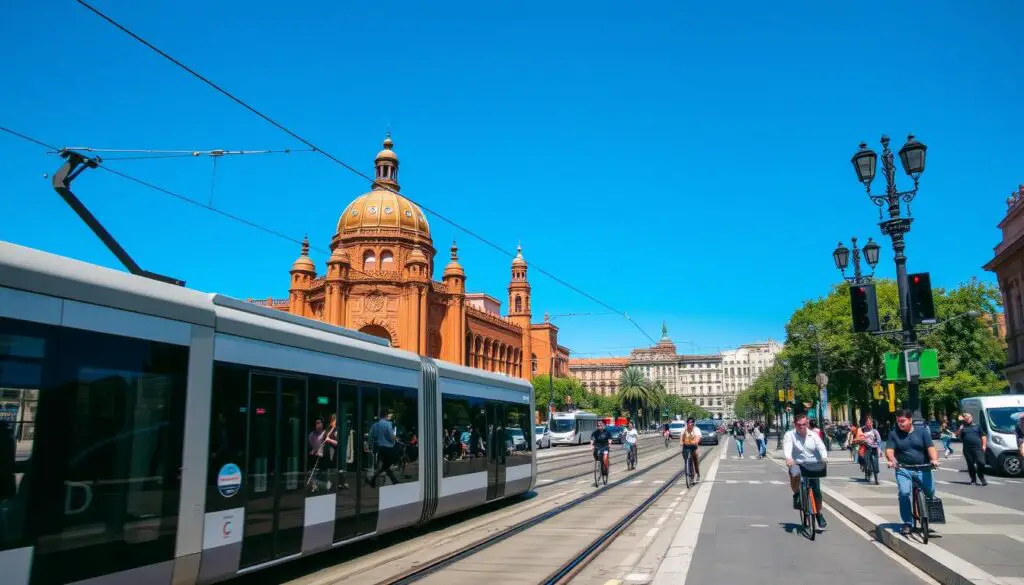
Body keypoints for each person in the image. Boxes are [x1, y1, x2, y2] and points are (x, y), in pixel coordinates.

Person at [885, 409, 940, 536]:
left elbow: (930, 447)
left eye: (903, 421)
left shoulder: (922, 432)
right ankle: (907, 523)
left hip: (923, 467)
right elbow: (889, 450)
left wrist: (934, 459)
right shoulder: (894, 434)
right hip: (903, 469)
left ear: (910, 420)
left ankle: (926, 516)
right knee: (904, 493)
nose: (900, 424)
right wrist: (892, 461)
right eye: (898, 421)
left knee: (930, 492)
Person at [783, 413, 828, 529]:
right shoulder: (790, 435)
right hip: (797, 462)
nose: (802, 427)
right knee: (794, 473)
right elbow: (787, 448)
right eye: (799, 425)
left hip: (813, 464)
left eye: (804, 424)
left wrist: (824, 457)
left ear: (807, 423)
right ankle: (797, 493)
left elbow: (821, 447)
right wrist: (789, 458)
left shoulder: (813, 435)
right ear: (795, 424)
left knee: (817, 492)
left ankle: (818, 514)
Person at [956, 412, 987, 486]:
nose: (968, 419)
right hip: (967, 449)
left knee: (981, 462)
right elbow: (958, 436)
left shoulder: (977, 426)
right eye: (966, 418)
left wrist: (984, 445)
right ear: (965, 419)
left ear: (971, 418)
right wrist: (960, 428)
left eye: (969, 417)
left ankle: (981, 476)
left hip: (978, 448)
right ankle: (973, 480)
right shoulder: (963, 427)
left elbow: (983, 436)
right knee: (971, 465)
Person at [855, 416, 882, 484]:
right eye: (867, 423)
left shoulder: (874, 431)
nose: (869, 424)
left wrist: (879, 449)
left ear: (872, 423)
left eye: (870, 423)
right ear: (865, 423)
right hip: (865, 448)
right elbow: (857, 438)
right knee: (867, 463)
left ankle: (876, 477)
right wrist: (861, 441)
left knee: (875, 463)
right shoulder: (862, 430)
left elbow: (879, 440)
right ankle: (868, 473)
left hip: (874, 448)